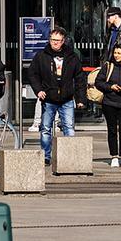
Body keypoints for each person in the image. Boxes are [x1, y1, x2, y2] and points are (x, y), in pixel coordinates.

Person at [25, 26, 83, 162]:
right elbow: (33, 74)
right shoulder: (41, 56)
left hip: (66, 98)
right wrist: (38, 90)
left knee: (69, 127)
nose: (55, 43)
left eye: (58, 40)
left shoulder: (72, 57)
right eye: (52, 40)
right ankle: (46, 156)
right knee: (45, 128)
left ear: (63, 41)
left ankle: (70, 157)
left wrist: (81, 99)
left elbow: (80, 79)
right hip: (49, 98)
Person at [96, 44, 121, 167]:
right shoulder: (107, 66)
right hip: (109, 102)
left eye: (119, 53)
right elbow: (98, 82)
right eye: (115, 53)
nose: (116, 55)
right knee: (112, 129)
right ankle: (114, 156)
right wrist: (110, 87)